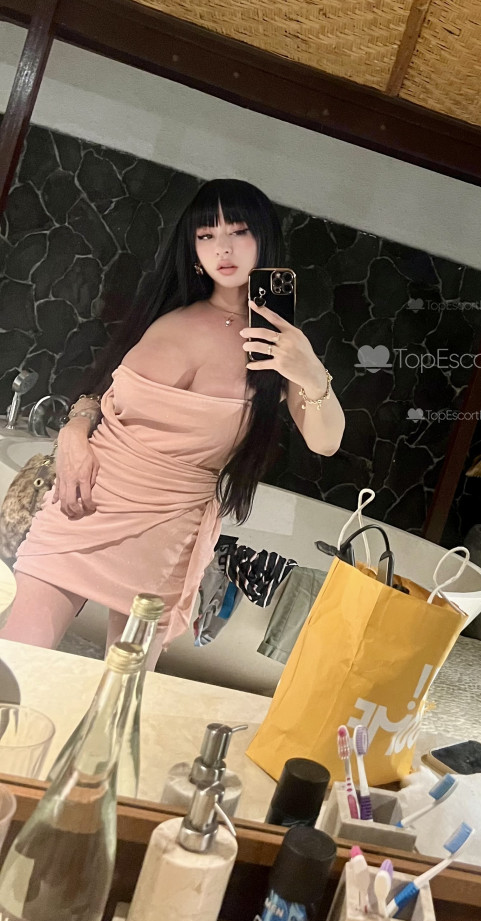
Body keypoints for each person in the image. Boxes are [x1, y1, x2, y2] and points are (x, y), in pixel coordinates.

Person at [1, 179, 345, 669]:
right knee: (16, 661)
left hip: (167, 529)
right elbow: (100, 395)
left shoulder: (280, 347)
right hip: (82, 502)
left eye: (238, 232)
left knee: (123, 685)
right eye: (207, 235)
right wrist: (73, 432)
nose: (222, 248)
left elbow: (326, 441)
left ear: (265, 239)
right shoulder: (166, 310)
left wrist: (310, 372)